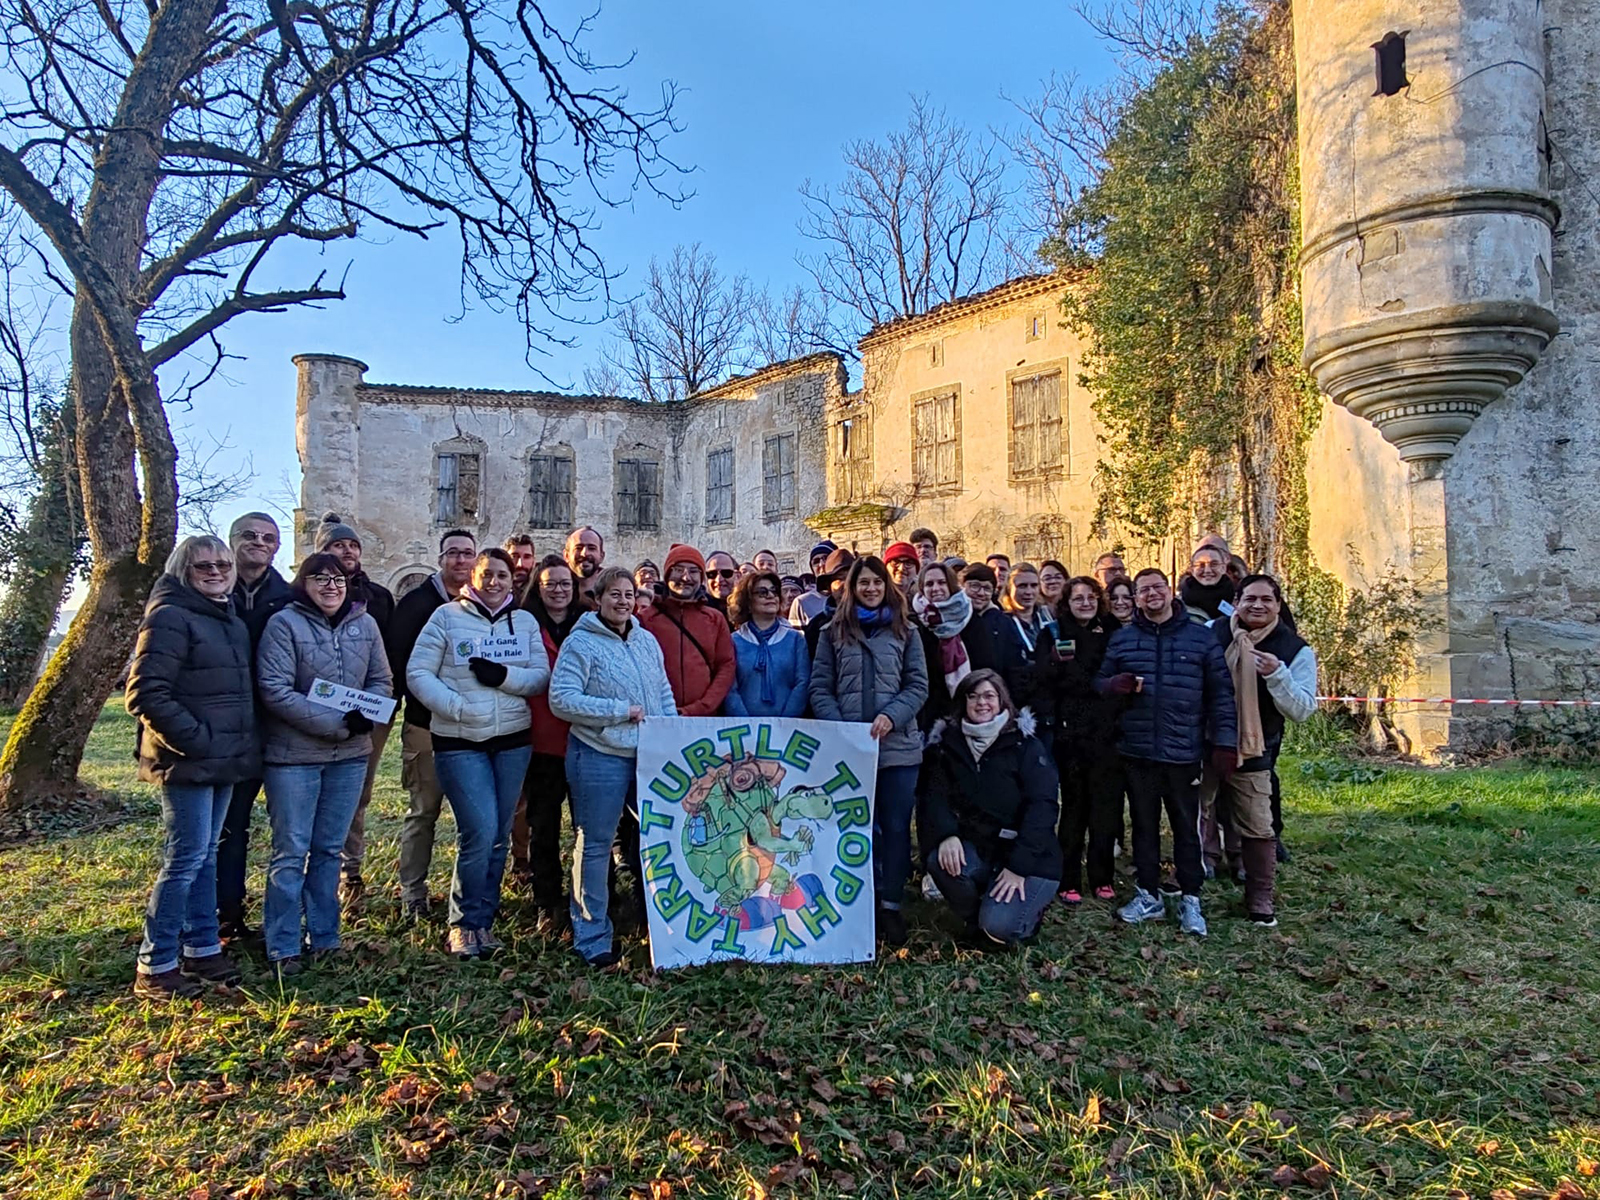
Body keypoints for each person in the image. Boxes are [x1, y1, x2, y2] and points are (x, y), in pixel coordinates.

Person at [126, 536, 260, 999]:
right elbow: (145, 694)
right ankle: (156, 962)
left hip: (222, 760)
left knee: (205, 856)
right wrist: (196, 742)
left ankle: (202, 947)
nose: (216, 572)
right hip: (187, 760)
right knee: (184, 859)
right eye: (204, 566)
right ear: (184, 571)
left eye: (223, 564)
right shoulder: (169, 616)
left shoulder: (228, 618)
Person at [406, 549, 549, 959]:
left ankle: (484, 919)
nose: (494, 582)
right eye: (486, 574)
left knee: (499, 834)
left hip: (512, 741)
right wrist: (456, 707)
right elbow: (418, 672)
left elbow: (540, 676)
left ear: (511, 580)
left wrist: (503, 677)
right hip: (460, 740)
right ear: (474, 577)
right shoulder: (446, 617)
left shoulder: (523, 622)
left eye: (502, 575)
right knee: (479, 831)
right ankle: (463, 922)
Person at [256, 554, 391, 977]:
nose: (331, 587)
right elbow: (274, 689)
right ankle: (283, 944)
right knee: (291, 850)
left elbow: (381, 679)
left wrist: (367, 713)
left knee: (329, 850)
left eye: (338, 579)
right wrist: (336, 723)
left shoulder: (365, 625)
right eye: (320, 578)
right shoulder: (284, 624)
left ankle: (325, 937)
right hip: (294, 757)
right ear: (303, 583)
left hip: (349, 758)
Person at [1096, 568, 1237, 938]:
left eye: (1157, 587)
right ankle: (1148, 893)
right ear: (1136, 598)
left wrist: (1225, 741)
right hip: (1138, 750)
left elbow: (1222, 694)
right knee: (1143, 825)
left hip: (1183, 751)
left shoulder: (1200, 638)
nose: (1151, 595)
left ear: (1169, 590)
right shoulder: (1124, 639)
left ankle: (1191, 897)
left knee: (1186, 828)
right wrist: (1114, 686)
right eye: (1143, 590)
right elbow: (1099, 685)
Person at [548, 567, 678, 968]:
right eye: (615, 594)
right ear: (598, 599)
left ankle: (663, 925)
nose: (623, 602)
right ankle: (592, 934)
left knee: (657, 839)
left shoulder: (646, 640)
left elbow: (662, 690)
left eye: (629, 595)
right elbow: (562, 699)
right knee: (595, 843)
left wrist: (671, 732)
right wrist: (619, 711)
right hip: (598, 754)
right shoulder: (580, 643)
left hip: (648, 755)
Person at [809, 556, 929, 947]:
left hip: (897, 748)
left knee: (894, 828)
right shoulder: (832, 632)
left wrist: (892, 716)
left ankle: (890, 904)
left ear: (886, 586)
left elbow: (918, 685)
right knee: (853, 828)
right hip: (849, 751)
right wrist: (840, 726)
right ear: (852, 587)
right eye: (864, 583)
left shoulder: (906, 630)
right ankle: (856, 904)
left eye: (877, 582)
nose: (871, 589)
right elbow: (820, 687)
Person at [919, 671, 1060, 948]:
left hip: (1030, 858)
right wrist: (947, 835)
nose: (981, 703)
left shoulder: (1025, 744)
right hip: (981, 847)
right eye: (972, 696)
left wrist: (1018, 867)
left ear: (1002, 700)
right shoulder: (947, 745)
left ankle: (1017, 919)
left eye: (989, 696)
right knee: (940, 861)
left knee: (1000, 929)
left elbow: (1043, 808)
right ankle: (978, 919)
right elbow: (933, 796)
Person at [1209, 574, 1316, 925]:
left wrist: (1277, 675)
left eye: (1266, 599)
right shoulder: (1211, 632)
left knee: (1258, 823)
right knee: (1192, 812)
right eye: (1250, 599)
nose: (1257, 605)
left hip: (1256, 747)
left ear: (1278, 606)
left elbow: (1302, 709)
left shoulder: (1295, 650)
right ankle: (1187, 879)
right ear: (1236, 602)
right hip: (1206, 741)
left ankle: (1259, 896)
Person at [388, 528, 477, 920]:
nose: (460, 560)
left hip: (470, 728)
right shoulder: (416, 604)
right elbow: (400, 663)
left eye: (467, 553)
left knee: (473, 818)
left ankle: (469, 893)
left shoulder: (479, 605)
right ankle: (413, 891)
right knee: (423, 811)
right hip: (425, 725)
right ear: (440, 559)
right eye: (453, 553)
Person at [217, 512, 292, 942]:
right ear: (232, 540)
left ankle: (275, 920)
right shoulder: (207, 591)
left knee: (287, 831)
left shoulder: (288, 597)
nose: (259, 543)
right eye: (250, 535)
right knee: (226, 826)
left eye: (269, 538)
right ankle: (223, 915)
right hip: (222, 729)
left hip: (275, 726)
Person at [316, 513, 397, 907]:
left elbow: (389, 658)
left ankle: (350, 873)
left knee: (357, 792)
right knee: (316, 793)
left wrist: (378, 705)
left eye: (352, 545)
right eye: (338, 545)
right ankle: (317, 870)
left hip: (367, 712)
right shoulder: (303, 599)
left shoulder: (378, 597)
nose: (347, 551)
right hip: (313, 712)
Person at [514, 555, 582, 922]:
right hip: (541, 738)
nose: (558, 590)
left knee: (588, 826)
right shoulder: (522, 625)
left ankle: (593, 896)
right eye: (550, 584)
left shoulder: (588, 623)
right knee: (543, 825)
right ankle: (547, 900)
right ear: (537, 589)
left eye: (565, 583)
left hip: (584, 736)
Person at [1047, 577, 1121, 904]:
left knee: (1104, 809)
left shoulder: (1112, 630)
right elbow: (1047, 677)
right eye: (1078, 598)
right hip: (1070, 733)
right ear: (1067, 602)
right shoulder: (1053, 632)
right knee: (1074, 808)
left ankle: (1102, 877)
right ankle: (1069, 878)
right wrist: (1055, 662)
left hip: (1107, 732)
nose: (1086, 603)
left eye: (1091, 597)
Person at [640, 544, 737, 717]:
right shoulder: (646, 619)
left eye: (693, 571)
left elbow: (726, 666)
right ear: (667, 574)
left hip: (704, 718)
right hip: (658, 717)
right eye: (678, 570)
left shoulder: (714, 619)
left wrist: (704, 706)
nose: (686, 578)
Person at [725, 571, 810, 717]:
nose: (770, 596)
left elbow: (802, 683)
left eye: (774, 591)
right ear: (747, 601)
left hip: (788, 726)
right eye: (762, 592)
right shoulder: (733, 642)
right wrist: (747, 723)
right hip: (743, 726)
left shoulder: (795, 639)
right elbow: (730, 688)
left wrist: (784, 722)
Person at [912, 561, 972, 727]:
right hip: (927, 714)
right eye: (929, 584)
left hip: (967, 710)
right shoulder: (914, 625)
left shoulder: (970, 618)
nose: (936, 588)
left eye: (942, 582)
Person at [994, 562, 1055, 718]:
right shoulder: (1000, 623)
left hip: (1050, 702)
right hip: (1017, 705)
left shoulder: (1048, 619)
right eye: (1022, 586)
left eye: (1033, 585)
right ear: (1009, 588)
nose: (1028, 591)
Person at [804, 548, 855, 658]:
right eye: (840, 579)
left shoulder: (875, 619)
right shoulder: (816, 627)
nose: (846, 584)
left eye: (851, 578)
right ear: (829, 586)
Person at [959, 562, 1005, 672]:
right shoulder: (952, 620)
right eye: (974, 586)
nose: (981, 593)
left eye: (987, 588)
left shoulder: (1003, 622)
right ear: (962, 586)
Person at [1180, 544, 1235, 622]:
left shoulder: (1239, 602)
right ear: (1192, 570)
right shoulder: (1178, 607)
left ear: (1223, 568)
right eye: (1200, 565)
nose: (1207, 570)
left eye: (1214, 564)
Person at [789, 541, 836, 628]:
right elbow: (796, 634)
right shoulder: (801, 602)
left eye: (826, 558)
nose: (821, 564)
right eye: (816, 561)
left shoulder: (851, 595)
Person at [565, 526, 606, 609]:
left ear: (602, 556)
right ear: (566, 555)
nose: (584, 553)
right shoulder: (555, 589)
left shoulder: (612, 587)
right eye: (578, 548)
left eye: (592, 548)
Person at [503, 534, 538, 600]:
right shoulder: (494, 592)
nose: (520, 564)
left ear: (534, 561)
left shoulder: (542, 594)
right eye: (514, 557)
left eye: (527, 557)